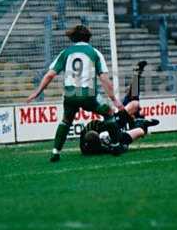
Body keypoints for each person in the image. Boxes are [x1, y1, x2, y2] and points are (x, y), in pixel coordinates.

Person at [27, 25, 125, 162]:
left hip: (70, 95)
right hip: (88, 95)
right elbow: (103, 78)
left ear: (73, 38)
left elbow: (49, 75)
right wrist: (114, 99)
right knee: (108, 113)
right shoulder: (94, 52)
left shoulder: (65, 52)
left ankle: (55, 152)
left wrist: (37, 92)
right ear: (89, 37)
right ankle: (115, 146)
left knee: (66, 121)